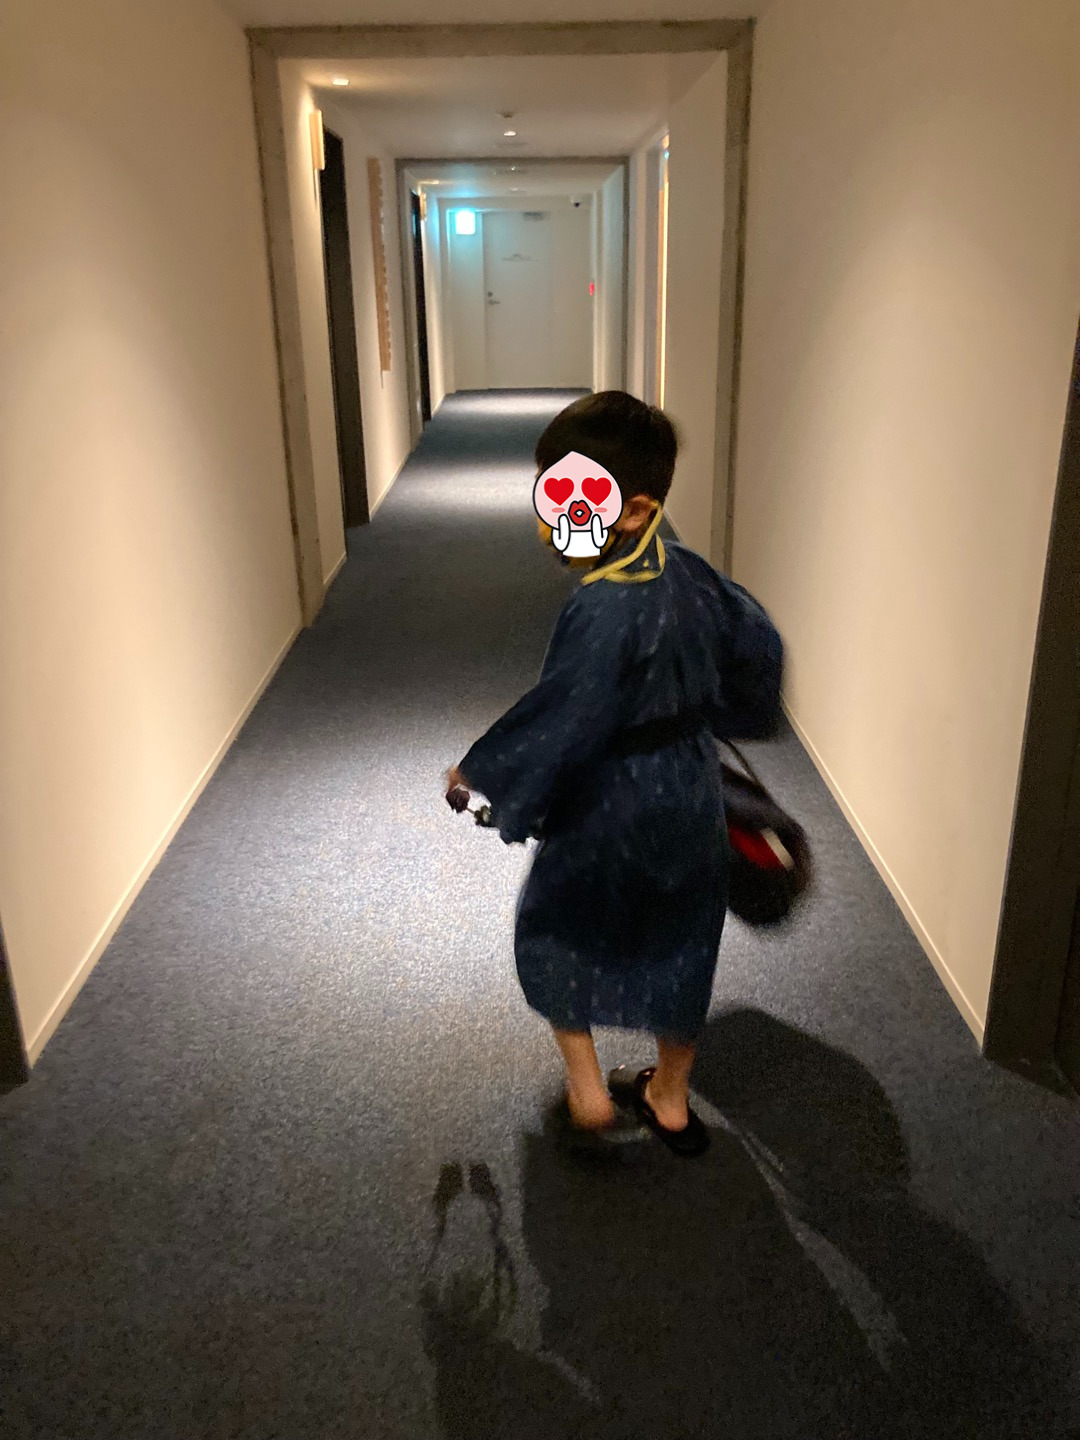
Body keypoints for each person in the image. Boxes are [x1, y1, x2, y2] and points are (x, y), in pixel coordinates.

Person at [445, 391, 783, 1158]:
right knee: (683, 940)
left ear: (632, 511)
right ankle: (670, 1097)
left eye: (573, 498)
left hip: (611, 799)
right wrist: (715, 714)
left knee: (558, 925)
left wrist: (482, 769)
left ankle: (589, 1088)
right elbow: (757, 646)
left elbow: (566, 715)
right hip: (689, 791)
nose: (551, 519)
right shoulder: (692, 573)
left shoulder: (603, 607)